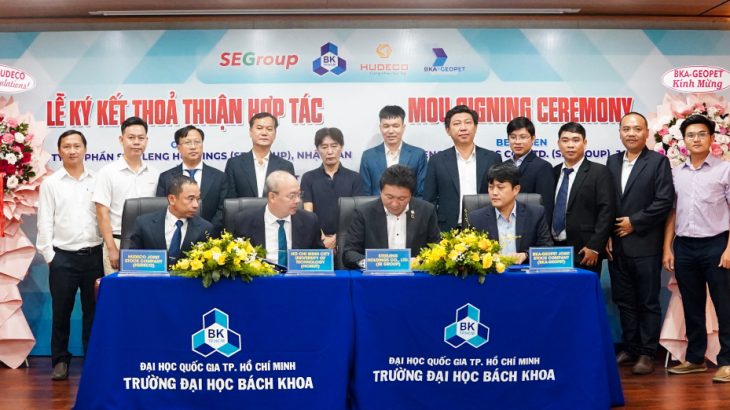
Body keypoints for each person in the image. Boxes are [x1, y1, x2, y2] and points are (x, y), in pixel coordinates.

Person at [663, 114, 730, 383]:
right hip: (684, 247)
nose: (696, 139)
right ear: (684, 140)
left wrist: (729, 249)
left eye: (702, 134)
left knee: (724, 305)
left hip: (716, 244)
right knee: (691, 304)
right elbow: (671, 213)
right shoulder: (676, 173)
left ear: (712, 138)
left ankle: (727, 362)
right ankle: (694, 359)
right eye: (691, 135)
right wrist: (667, 248)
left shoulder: (724, 170)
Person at [606, 112, 674, 375]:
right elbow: (606, 202)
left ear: (647, 133)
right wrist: (607, 234)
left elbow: (664, 201)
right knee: (624, 301)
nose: (631, 133)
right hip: (617, 246)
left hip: (645, 244)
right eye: (626, 129)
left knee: (647, 302)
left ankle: (647, 352)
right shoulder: (612, 161)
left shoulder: (658, 162)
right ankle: (631, 347)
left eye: (637, 129)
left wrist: (635, 222)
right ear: (620, 132)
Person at [36, 130, 104, 381]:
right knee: (61, 311)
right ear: (59, 151)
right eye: (67, 146)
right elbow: (45, 221)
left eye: (77, 146)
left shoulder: (98, 180)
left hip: (94, 255)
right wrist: (50, 255)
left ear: (85, 149)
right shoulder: (51, 183)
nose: (72, 150)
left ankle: (92, 358)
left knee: (93, 311)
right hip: (63, 257)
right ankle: (60, 361)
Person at [93, 116, 159, 274]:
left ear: (146, 141)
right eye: (131, 138)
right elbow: (102, 213)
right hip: (118, 242)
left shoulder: (154, 173)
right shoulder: (107, 172)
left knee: (148, 287)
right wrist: (111, 248)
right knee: (119, 288)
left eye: (141, 138)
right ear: (121, 140)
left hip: (148, 245)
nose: (136, 142)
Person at [343, 165, 441, 269]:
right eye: (389, 197)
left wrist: (421, 262)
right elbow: (349, 253)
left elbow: (437, 249)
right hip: (376, 275)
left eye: (401, 198)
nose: (394, 204)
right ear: (380, 192)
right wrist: (371, 263)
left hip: (414, 275)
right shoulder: (364, 213)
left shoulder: (426, 211)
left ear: (411, 195)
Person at [424, 104, 502, 231]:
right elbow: (429, 200)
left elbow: (500, 194)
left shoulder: (492, 158)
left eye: (468, 123)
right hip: (447, 229)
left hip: (485, 227)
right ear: (448, 130)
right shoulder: (437, 161)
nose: (463, 128)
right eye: (457, 124)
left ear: (475, 127)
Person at [551, 122, 615, 274]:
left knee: (584, 289)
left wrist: (595, 246)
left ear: (585, 143)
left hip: (585, 251)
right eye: (565, 140)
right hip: (553, 251)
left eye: (576, 140)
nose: (570, 145)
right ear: (558, 144)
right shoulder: (553, 172)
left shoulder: (599, 172)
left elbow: (607, 211)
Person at [467, 163, 552, 264]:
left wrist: (526, 255)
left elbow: (547, 248)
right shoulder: (476, 218)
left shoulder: (535, 214)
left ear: (516, 190)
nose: (494, 193)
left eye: (500, 187)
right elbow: (470, 254)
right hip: (492, 272)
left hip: (523, 271)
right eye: (491, 187)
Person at [233, 171, 324, 266]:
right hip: (260, 275)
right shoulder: (244, 221)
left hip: (296, 275)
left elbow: (321, 261)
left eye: (299, 195)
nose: (298, 200)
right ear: (272, 197)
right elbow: (236, 261)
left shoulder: (309, 221)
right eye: (292, 196)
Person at [480, 116, 555, 223]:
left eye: (523, 137)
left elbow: (546, 206)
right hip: (503, 224)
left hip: (530, 225)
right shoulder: (502, 166)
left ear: (533, 138)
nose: (517, 142)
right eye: (513, 137)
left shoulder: (543, 167)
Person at [128, 175, 214, 267]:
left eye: (197, 199)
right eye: (191, 199)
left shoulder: (205, 229)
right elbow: (132, 262)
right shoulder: (144, 224)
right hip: (152, 275)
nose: (196, 205)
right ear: (172, 199)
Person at [156, 125, 228, 233]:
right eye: (188, 142)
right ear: (178, 147)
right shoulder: (166, 177)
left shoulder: (220, 177)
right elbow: (162, 208)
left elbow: (223, 210)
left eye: (197, 142)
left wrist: (208, 230)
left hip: (210, 235)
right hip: (175, 233)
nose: (193, 147)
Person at [301, 127, 362, 250]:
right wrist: (322, 238)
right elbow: (308, 213)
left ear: (342, 147)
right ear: (317, 150)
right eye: (324, 147)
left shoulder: (355, 178)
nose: (329, 151)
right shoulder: (308, 178)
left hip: (348, 241)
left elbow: (356, 213)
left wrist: (336, 238)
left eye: (334, 146)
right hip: (317, 241)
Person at [360, 105, 428, 197]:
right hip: (377, 206)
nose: (391, 131)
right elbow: (365, 194)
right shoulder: (368, 156)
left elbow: (421, 193)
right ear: (380, 128)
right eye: (386, 126)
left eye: (396, 126)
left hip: (409, 206)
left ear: (403, 127)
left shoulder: (418, 155)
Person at [224, 112, 295, 198]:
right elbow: (229, 201)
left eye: (269, 129)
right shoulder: (234, 164)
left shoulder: (285, 166)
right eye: (259, 128)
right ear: (250, 132)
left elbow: (289, 199)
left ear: (275, 134)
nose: (264, 133)